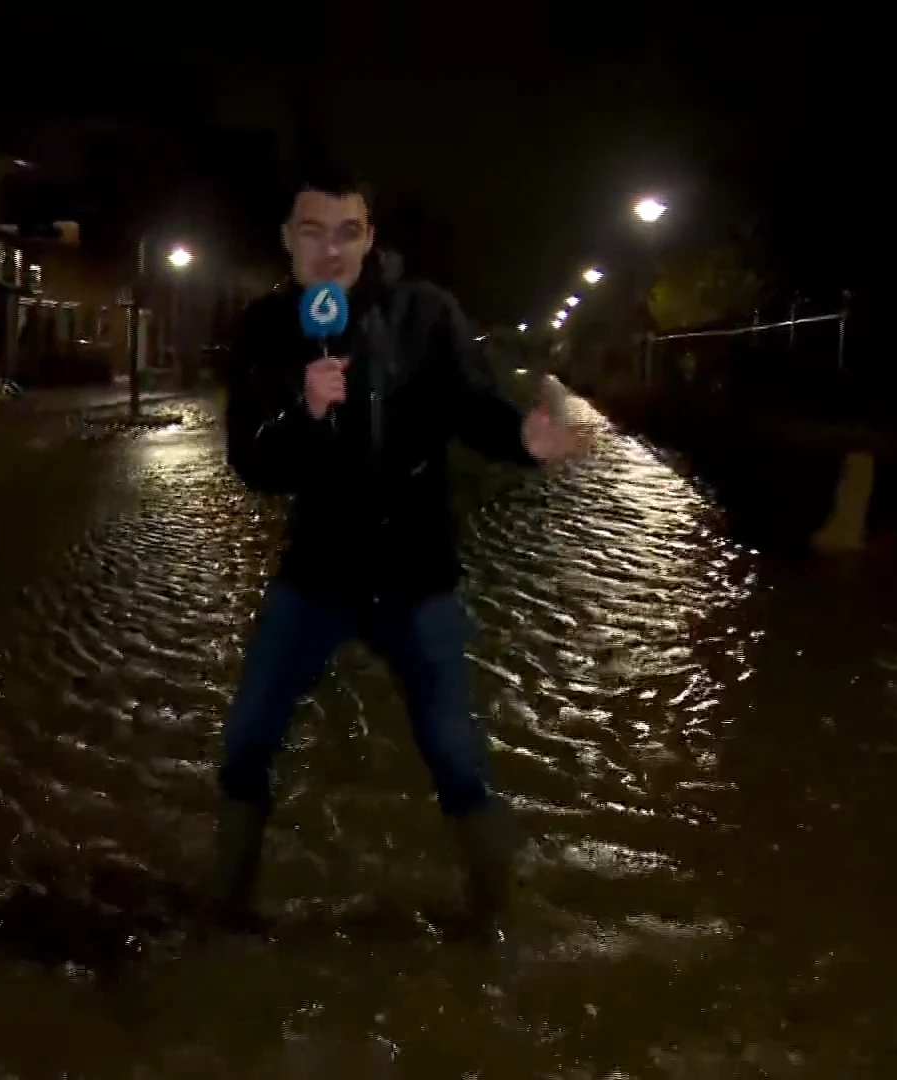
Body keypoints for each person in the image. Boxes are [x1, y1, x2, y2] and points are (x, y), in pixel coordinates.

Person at [214, 165, 587, 932]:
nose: (331, 251)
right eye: (312, 231)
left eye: (348, 231)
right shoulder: (264, 328)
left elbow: (476, 407)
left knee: (455, 755)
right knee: (247, 739)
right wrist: (303, 410)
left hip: (417, 575)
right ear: (286, 239)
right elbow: (253, 464)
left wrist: (524, 437)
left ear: (371, 238)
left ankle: (495, 921)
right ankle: (223, 912)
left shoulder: (427, 313)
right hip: (316, 573)